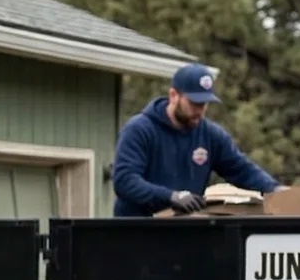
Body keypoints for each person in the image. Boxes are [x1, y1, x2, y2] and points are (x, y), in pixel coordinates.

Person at [112, 62, 283, 217]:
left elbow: (242, 170)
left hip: (184, 229)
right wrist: (171, 196)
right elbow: (125, 180)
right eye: (194, 103)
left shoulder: (210, 134)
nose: (200, 110)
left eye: (204, 104)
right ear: (174, 96)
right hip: (136, 231)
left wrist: (276, 190)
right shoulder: (140, 129)